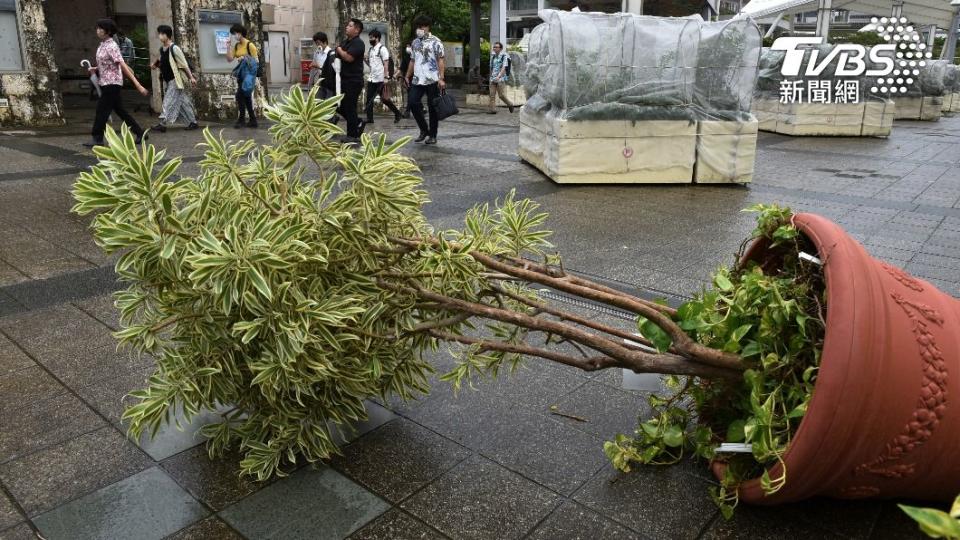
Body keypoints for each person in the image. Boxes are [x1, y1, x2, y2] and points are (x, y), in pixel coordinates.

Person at [83, 19, 149, 148]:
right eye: (98, 28)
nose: (98, 30)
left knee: (102, 110)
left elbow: (122, 65)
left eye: (100, 28)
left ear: (107, 31)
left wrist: (138, 85)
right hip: (106, 81)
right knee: (120, 110)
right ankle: (140, 133)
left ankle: (97, 138)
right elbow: (107, 63)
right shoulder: (103, 45)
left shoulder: (112, 46)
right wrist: (95, 69)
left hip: (112, 83)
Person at [405, 15, 445, 145]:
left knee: (433, 107)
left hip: (432, 79)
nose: (419, 29)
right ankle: (424, 130)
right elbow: (412, 60)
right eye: (417, 27)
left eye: (422, 27)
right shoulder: (415, 42)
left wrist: (441, 78)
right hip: (417, 79)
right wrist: (407, 75)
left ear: (428, 27)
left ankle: (432, 135)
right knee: (412, 102)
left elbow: (440, 60)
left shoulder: (436, 41)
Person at [150, 25, 198, 132]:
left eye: (162, 34)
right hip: (167, 80)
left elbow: (184, 64)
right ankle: (193, 122)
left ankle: (162, 124)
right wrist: (155, 65)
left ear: (167, 35)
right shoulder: (162, 49)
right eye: (159, 34)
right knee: (182, 103)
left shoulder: (174, 48)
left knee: (168, 101)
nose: (160, 36)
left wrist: (191, 77)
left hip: (175, 80)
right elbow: (162, 61)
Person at [335, 18, 365, 143]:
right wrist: (339, 50)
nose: (347, 27)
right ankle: (357, 121)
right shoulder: (346, 41)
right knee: (338, 105)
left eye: (350, 25)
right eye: (347, 25)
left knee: (350, 107)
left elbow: (348, 58)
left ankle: (352, 135)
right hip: (343, 80)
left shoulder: (358, 43)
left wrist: (339, 50)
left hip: (354, 80)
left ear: (357, 30)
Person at [364, 29, 402, 124]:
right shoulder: (371, 50)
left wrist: (386, 77)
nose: (370, 39)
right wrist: (365, 60)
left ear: (377, 38)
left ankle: (397, 113)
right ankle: (370, 119)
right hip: (372, 78)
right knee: (369, 99)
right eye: (369, 37)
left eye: (371, 37)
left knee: (384, 99)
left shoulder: (382, 49)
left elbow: (386, 64)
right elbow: (371, 65)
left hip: (381, 79)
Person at [225, 23, 258, 128]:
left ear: (240, 33)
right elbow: (230, 59)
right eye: (233, 34)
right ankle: (253, 120)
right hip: (240, 75)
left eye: (235, 33)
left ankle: (241, 119)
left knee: (239, 96)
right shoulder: (236, 45)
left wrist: (244, 58)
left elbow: (256, 61)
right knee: (246, 97)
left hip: (248, 76)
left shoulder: (250, 45)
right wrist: (228, 46)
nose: (235, 36)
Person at [310, 32, 340, 124]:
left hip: (329, 80)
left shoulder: (331, 53)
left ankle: (330, 121)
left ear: (324, 41)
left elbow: (329, 69)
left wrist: (317, 66)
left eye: (319, 42)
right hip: (320, 79)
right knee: (318, 101)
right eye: (316, 43)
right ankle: (327, 120)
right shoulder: (317, 52)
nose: (318, 45)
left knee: (328, 102)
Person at [488, 42, 516, 114]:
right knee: (492, 95)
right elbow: (491, 67)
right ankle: (493, 110)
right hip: (492, 79)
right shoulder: (493, 57)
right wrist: (491, 76)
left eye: (496, 47)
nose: (495, 48)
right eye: (494, 47)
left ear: (500, 49)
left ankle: (510, 104)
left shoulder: (504, 56)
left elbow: (504, 67)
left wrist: (499, 76)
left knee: (501, 95)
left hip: (500, 78)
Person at [397, 43, 413, 119]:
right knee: (410, 94)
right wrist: (396, 75)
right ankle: (408, 111)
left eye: (409, 46)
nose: (407, 48)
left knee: (413, 95)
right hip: (409, 78)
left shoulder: (418, 55)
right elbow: (402, 68)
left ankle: (419, 109)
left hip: (418, 78)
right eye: (406, 46)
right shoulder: (406, 56)